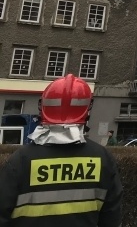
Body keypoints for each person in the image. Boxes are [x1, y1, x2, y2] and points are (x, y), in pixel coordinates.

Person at [0, 74, 123, 226]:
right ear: (87, 109)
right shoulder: (102, 158)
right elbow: (111, 217)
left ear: (43, 106)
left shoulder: (22, 159)